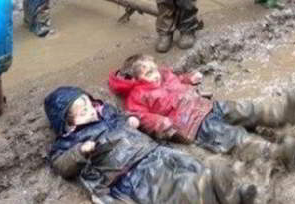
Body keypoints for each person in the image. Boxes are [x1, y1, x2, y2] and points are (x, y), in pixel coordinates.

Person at [44, 86, 259, 204]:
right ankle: (204, 194)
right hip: (130, 172)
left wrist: (134, 122)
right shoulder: (69, 142)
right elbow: (61, 165)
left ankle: (229, 193)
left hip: (154, 151)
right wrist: (81, 151)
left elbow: (129, 117)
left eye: (88, 104)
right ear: (68, 122)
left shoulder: (108, 113)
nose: (89, 110)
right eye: (81, 111)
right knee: (174, 188)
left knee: (194, 166)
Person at [108, 54, 295, 171]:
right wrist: (161, 124)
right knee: (231, 137)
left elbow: (177, 80)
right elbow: (142, 116)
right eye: (149, 73)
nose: (156, 74)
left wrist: (189, 78)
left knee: (243, 109)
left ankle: (282, 114)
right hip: (193, 124)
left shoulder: (165, 75)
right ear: (136, 79)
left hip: (205, 105)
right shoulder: (138, 95)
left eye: (155, 69)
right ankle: (276, 154)